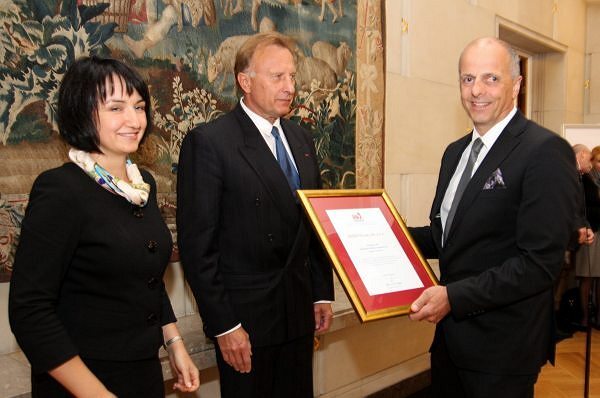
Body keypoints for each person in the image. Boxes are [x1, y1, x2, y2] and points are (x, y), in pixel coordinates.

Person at [8, 57, 200, 397]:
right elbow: (30, 311)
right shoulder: (60, 190)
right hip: (81, 380)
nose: (134, 120)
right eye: (116, 108)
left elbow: (148, 279)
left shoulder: (143, 186)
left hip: (142, 373)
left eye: (139, 107)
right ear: (81, 112)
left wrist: (174, 344)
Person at [407, 37, 579, 398]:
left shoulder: (544, 151)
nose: (476, 91)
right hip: (450, 344)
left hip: (504, 350)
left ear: (516, 84)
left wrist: (454, 297)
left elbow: (539, 264)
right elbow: (446, 237)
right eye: (467, 79)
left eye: (491, 78)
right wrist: (384, 233)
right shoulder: (454, 153)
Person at [176, 32, 334, 398]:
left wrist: (321, 294)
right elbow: (198, 247)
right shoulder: (211, 142)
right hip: (246, 323)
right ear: (245, 82)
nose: (289, 86)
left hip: (298, 313)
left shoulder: (301, 141)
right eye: (277, 77)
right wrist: (224, 325)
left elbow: (314, 227)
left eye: (292, 76)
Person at [575, 144, 600, 328]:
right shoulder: (584, 179)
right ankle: (585, 318)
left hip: (598, 231)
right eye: (597, 160)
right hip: (590, 231)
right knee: (587, 277)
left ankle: (598, 317)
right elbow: (582, 207)